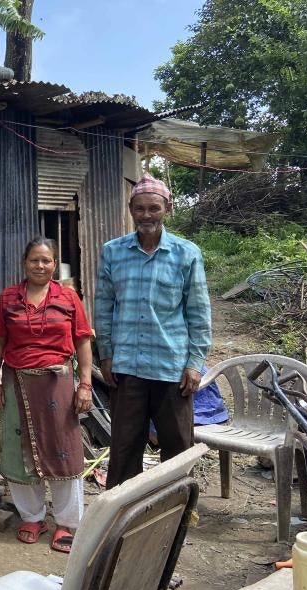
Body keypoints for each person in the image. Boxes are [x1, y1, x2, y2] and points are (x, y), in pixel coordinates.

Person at [94, 174, 212, 487]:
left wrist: (194, 363)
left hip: (171, 368)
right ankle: (123, 521)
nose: (147, 215)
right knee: (123, 449)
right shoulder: (112, 252)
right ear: (131, 209)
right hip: (127, 366)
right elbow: (103, 307)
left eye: (154, 208)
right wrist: (105, 354)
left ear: (167, 209)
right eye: (140, 208)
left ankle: (175, 518)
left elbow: (198, 313)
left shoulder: (187, 253)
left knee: (176, 451)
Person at [0, 237, 93, 552]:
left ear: (54, 264)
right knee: (19, 452)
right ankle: (32, 517)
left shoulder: (68, 297)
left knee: (64, 451)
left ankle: (66, 523)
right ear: (24, 263)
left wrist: (84, 384)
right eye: (34, 259)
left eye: (46, 260)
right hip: (16, 382)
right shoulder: (8, 298)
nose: (40, 265)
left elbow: (83, 341)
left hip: (57, 384)